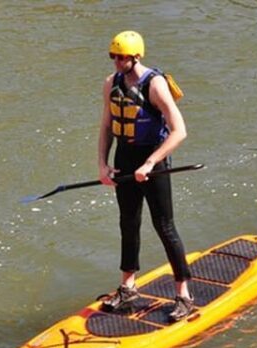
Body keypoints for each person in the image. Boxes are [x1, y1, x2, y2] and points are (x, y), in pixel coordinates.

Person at [97, 30, 195, 321]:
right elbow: (106, 126)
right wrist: (102, 165)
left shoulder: (155, 84)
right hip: (124, 158)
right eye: (113, 56)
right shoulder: (110, 84)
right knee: (127, 222)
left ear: (136, 57)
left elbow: (180, 131)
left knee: (164, 225)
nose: (116, 62)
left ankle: (184, 294)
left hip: (153, 158)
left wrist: (151, 162)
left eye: (122, 57)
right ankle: (128, 288)